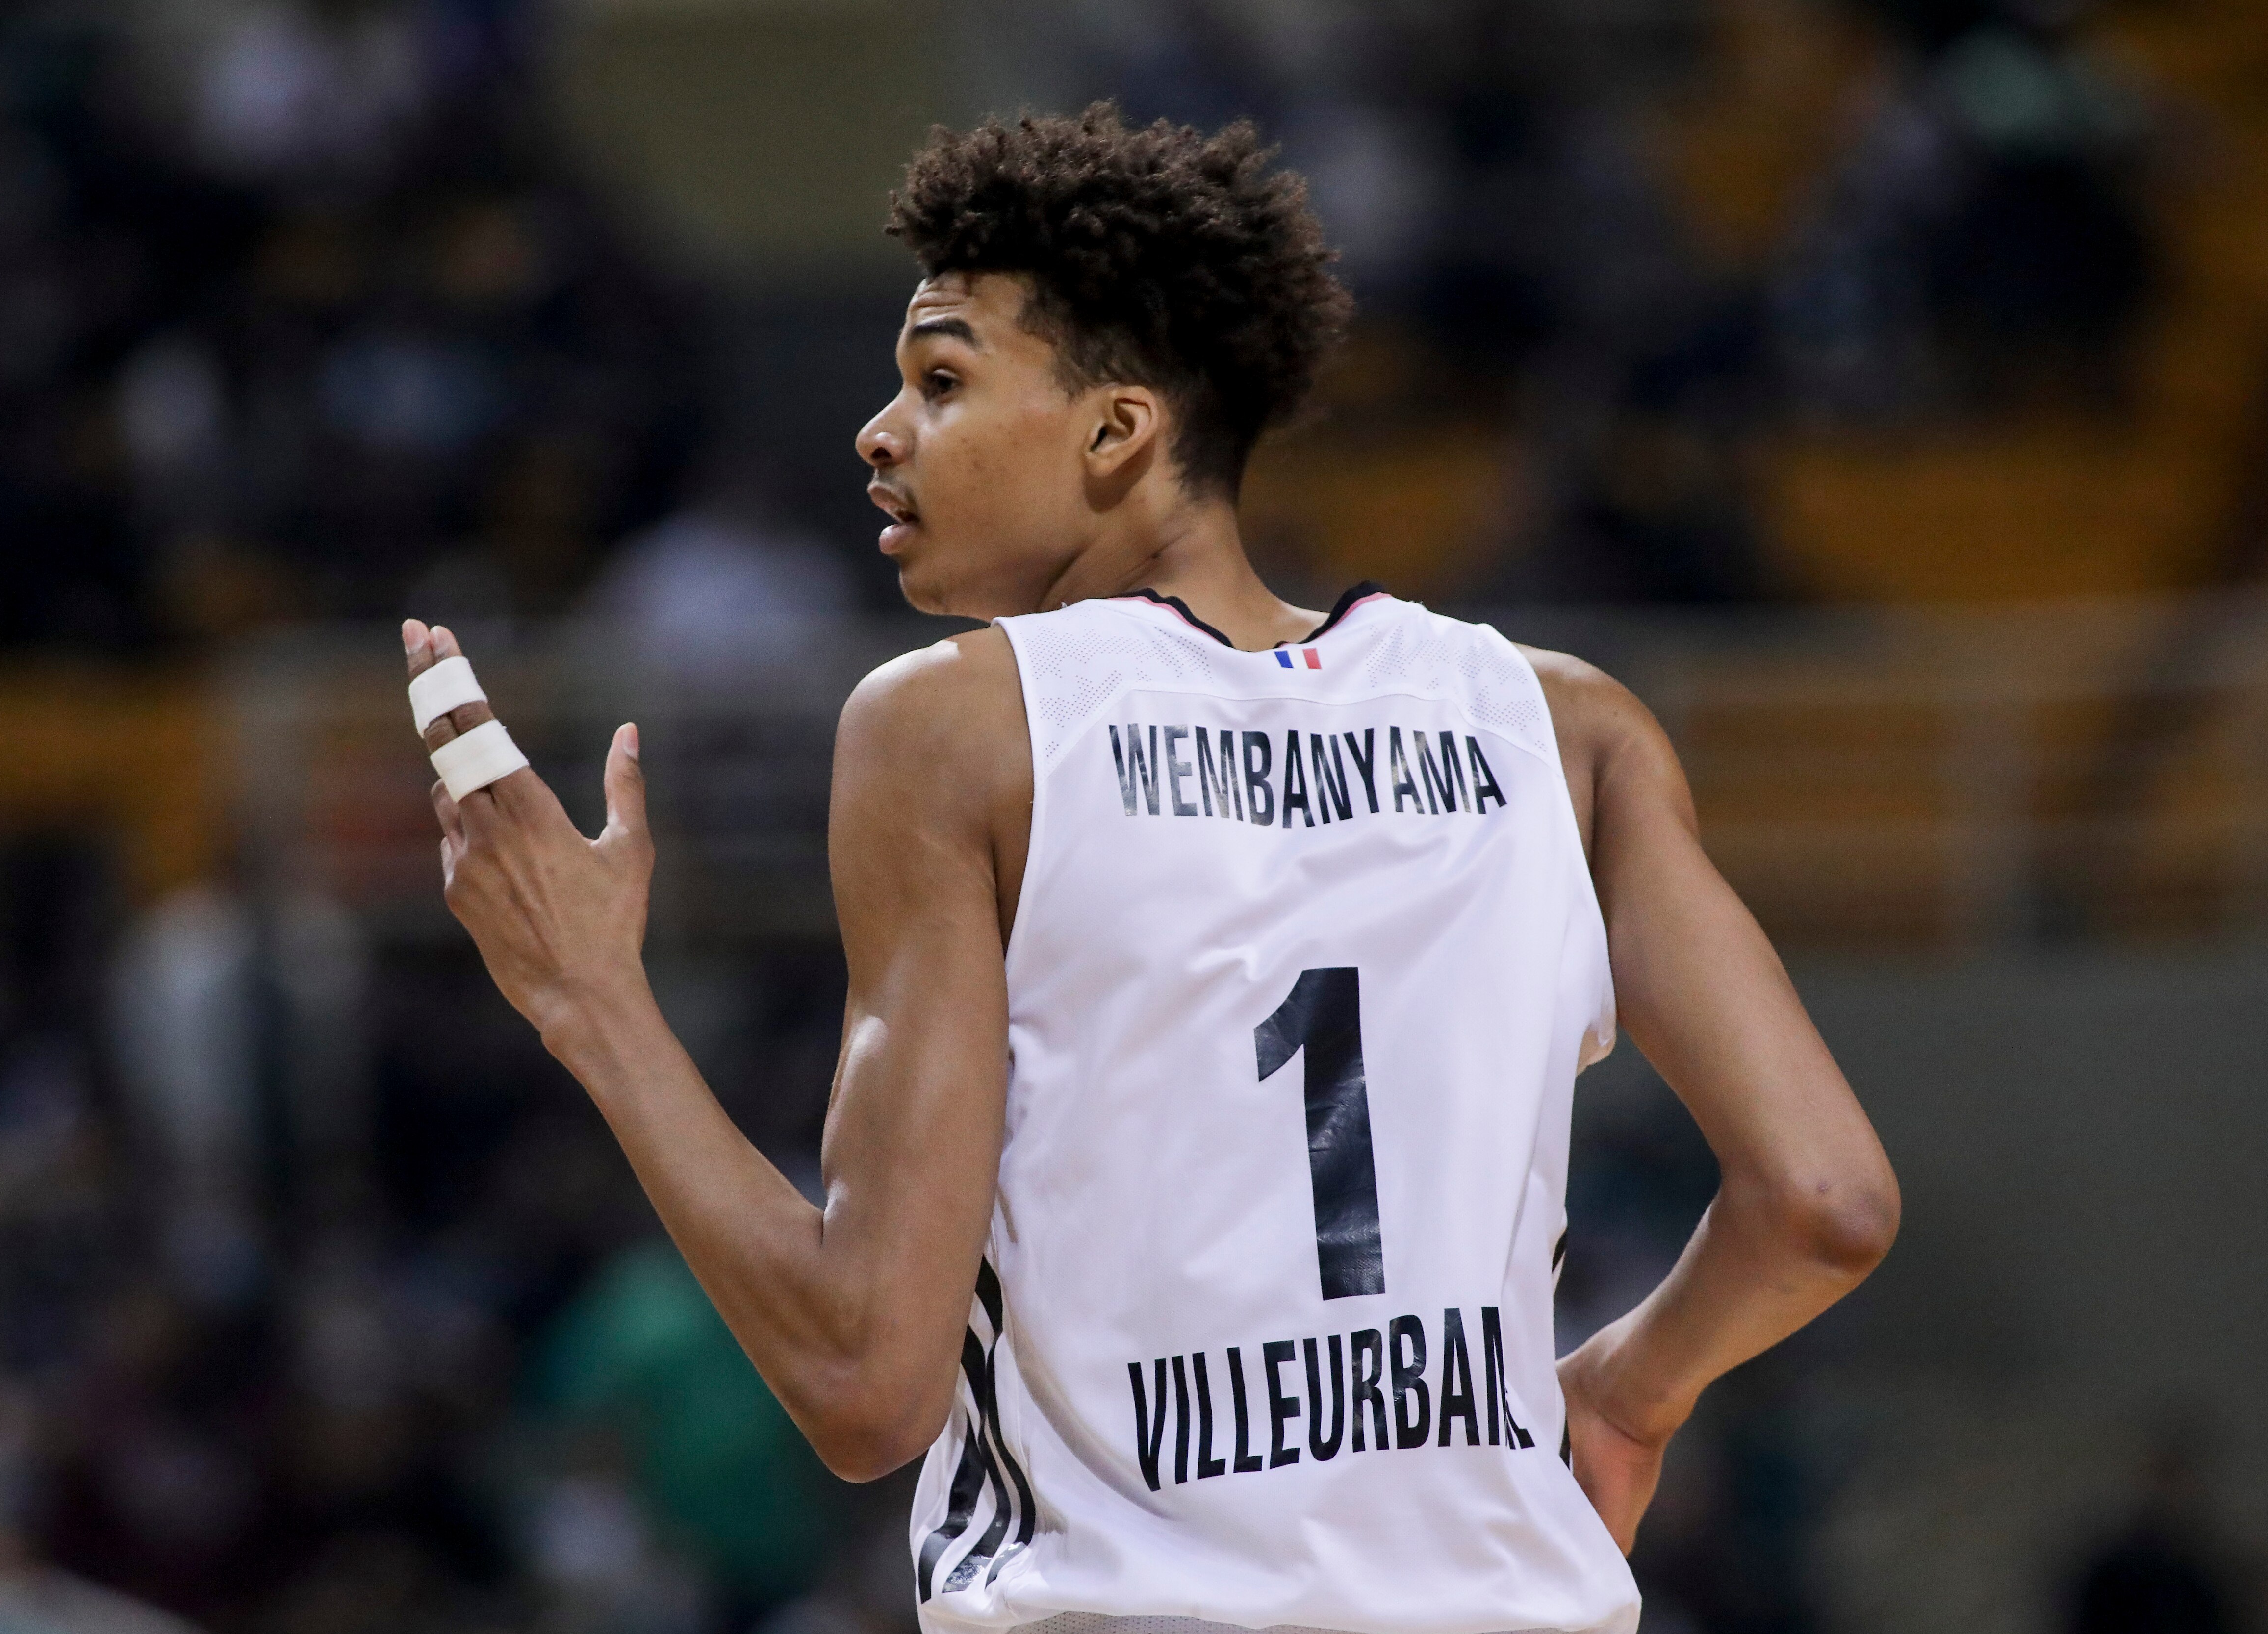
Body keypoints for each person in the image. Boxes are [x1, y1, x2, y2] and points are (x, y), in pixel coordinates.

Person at [398, 105, 1899, 1634]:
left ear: (1117, 434)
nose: (879, 432)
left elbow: (864, 1380)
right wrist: (1632, 1394)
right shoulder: (1567, 729)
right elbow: (1826, 1202)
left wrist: (591, 999)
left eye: (941, 381)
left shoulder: (958, 730)